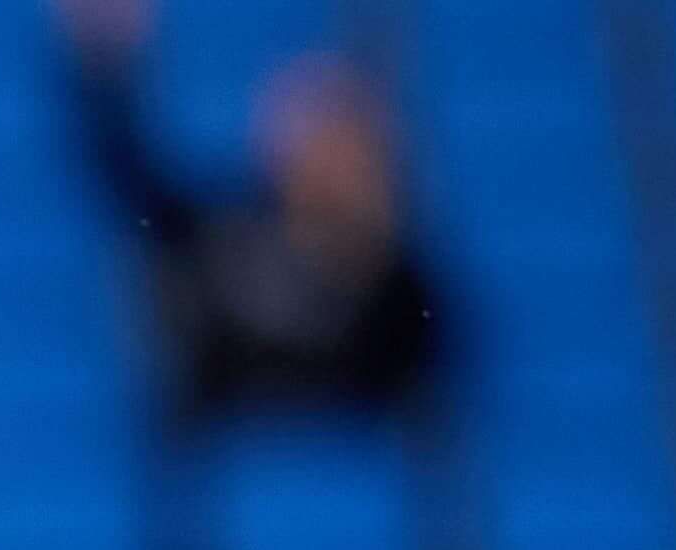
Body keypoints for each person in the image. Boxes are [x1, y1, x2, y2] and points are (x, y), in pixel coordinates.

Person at [58, 0, 446, 431]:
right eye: (310, 134)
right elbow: (127, 180)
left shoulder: (404, 286)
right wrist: (104, 70)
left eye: (342, 138)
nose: (327, 157)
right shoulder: (223, 233)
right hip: (226, 463)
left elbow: (430, 383)